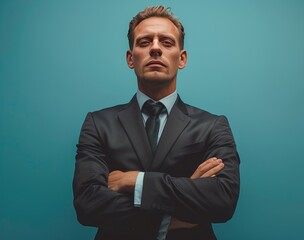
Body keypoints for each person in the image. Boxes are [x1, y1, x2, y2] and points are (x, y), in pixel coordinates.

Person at [73, 5, 240, 240]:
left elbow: (222, 200)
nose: (155, 48)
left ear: (181, 58)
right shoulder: (98, 123)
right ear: (131, 59)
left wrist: (134, 180)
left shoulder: (213, 126)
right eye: (144, 42)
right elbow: (87, 204)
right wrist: (176, 213)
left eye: (167, 42)